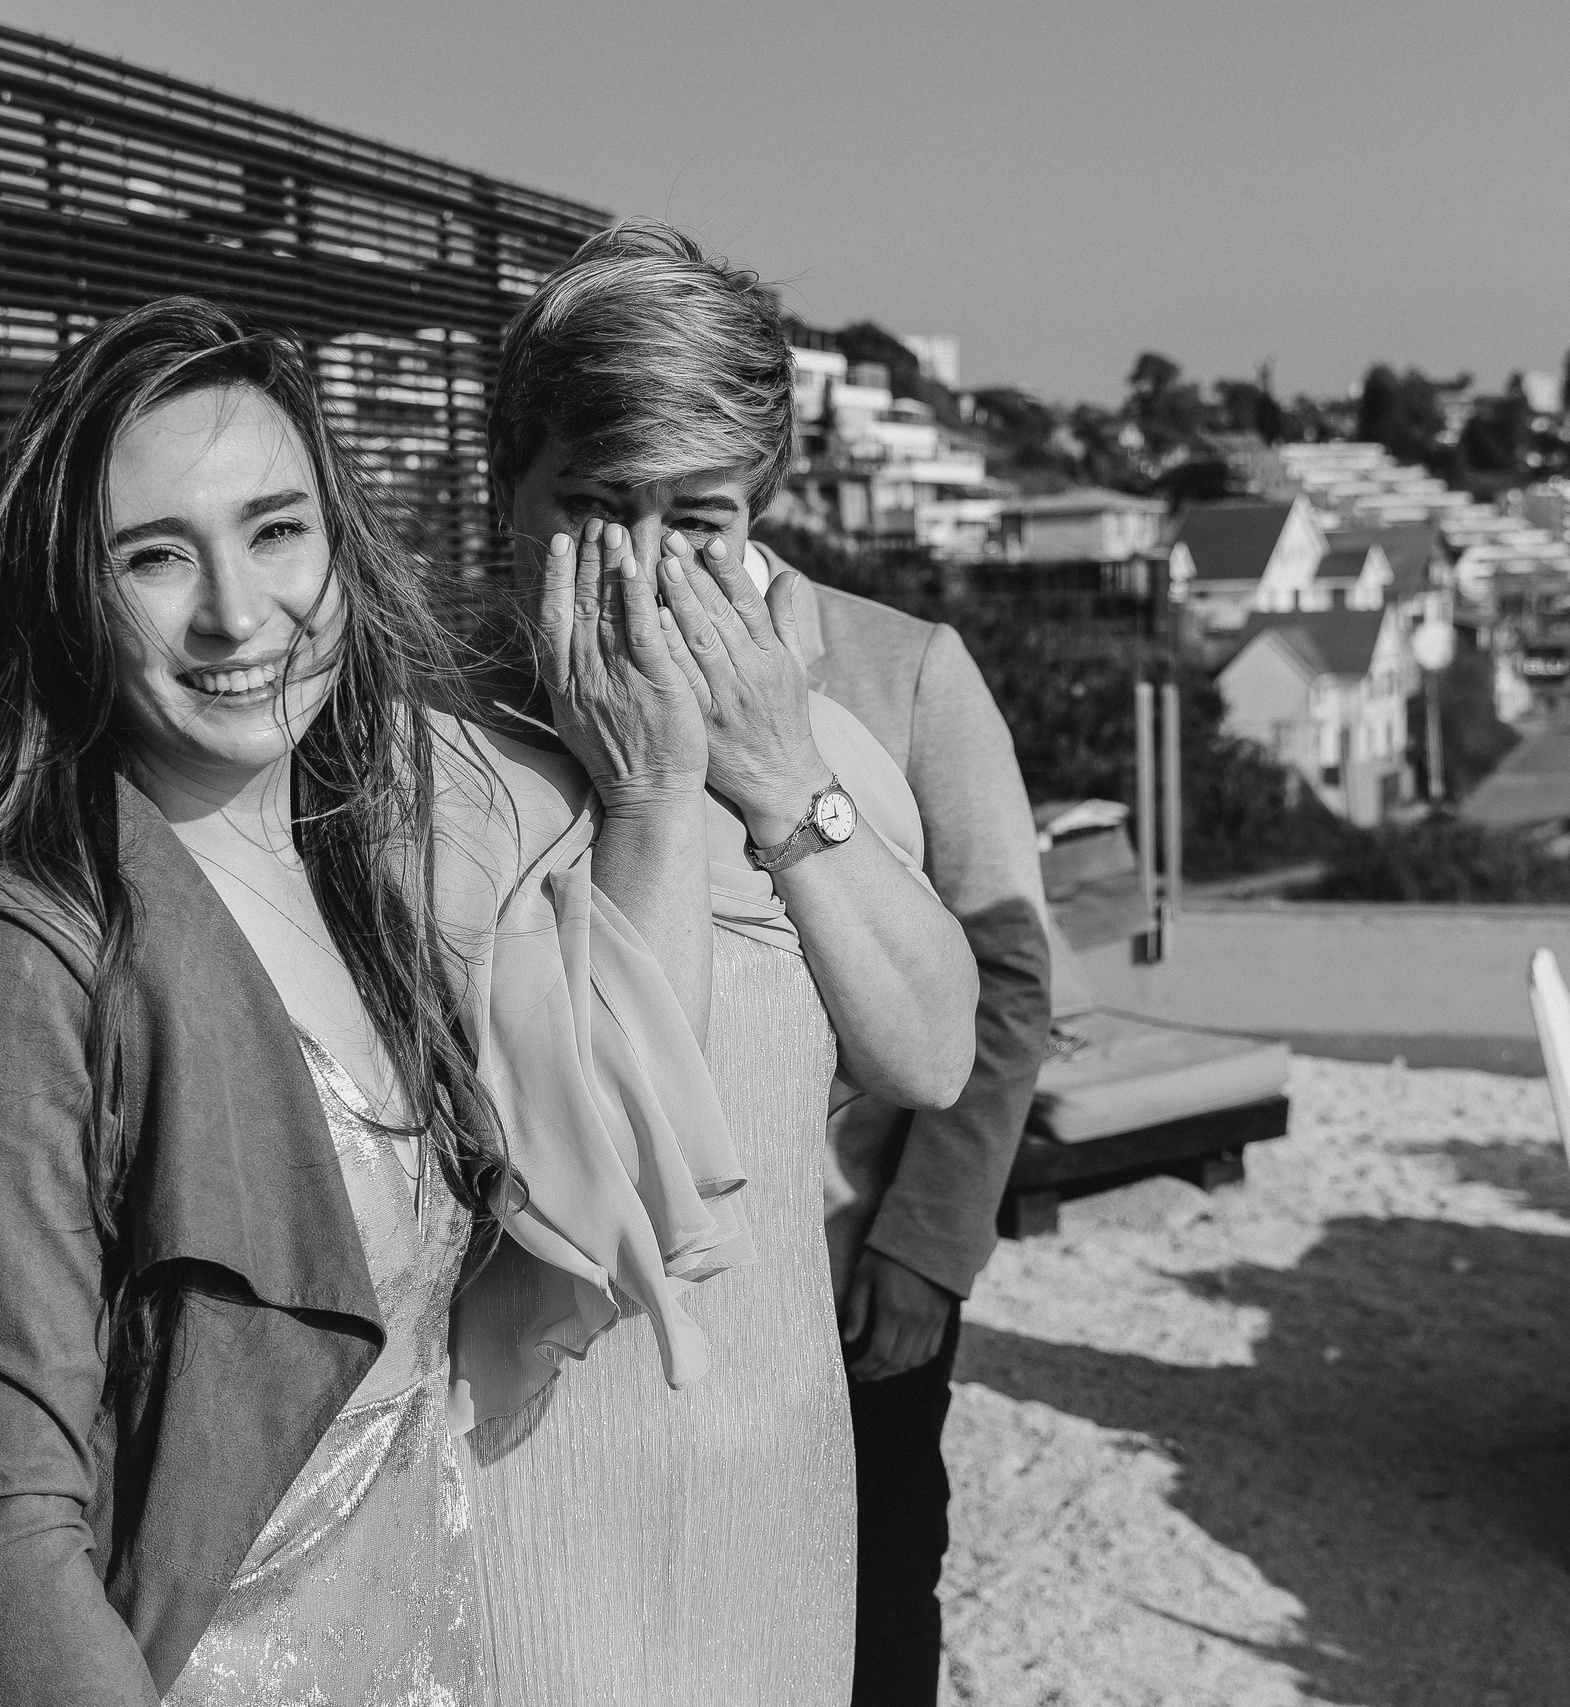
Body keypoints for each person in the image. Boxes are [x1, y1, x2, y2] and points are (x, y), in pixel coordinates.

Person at [0, 297, 735, 1705]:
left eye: (276, 529)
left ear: (340, 551)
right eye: (156, 555)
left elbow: (492, 1290)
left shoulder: (366, 874)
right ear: (68, 594)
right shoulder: (22, 964)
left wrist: (663, 796)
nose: (238, 611)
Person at [454, 220, 980, 1707]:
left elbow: (931, 1049)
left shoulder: (812, 744)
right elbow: (584, 1180)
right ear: (508, 497)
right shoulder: (416, 768)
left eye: (697, 517)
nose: (642, 565)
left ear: (763, 513)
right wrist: (646, 795)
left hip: (773, 1449)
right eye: (595, 505)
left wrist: (779, 787)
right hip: (529, 1482)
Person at [763, 556, 1053, 1705]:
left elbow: (1008, 974)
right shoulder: (493, 674)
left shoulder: (908, 669)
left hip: (850, 1271)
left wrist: (929, 1241)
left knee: (871, 1606)